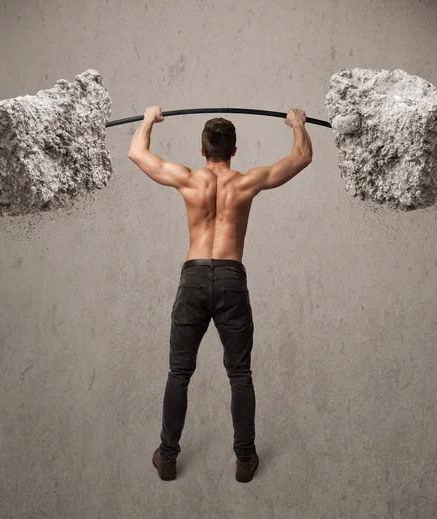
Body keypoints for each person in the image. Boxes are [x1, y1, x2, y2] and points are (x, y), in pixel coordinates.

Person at [128, 106, 313, 482]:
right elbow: (302, 157)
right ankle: (245, 461)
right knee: (240, 374)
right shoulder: (246, 182)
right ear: (234, 150)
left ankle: (167, 457)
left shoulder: (188, 178)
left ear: (202, 151)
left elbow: (137, 154)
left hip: (194, 278)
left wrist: (148, 120)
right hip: (230, 278)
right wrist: (298, 126)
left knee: (179, 373)